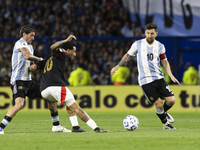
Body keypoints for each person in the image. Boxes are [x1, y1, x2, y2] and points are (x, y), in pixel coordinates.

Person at [0, 25, 82, 134]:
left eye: (34, 36)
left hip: (28, 81)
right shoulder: (20, 43)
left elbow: (31, 65)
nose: (33, 38)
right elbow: (27, 56)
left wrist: (37, 67)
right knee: (19, 104)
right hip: (18, 80)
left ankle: (56, 126)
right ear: (24, 34)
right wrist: (40, 59)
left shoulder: (30, 46)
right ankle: (0, 128)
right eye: (31, 35)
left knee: (50, 98)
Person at [30, 35, 106, 133]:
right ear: (67, 51)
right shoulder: (61, 54)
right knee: (77, 108)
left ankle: (74, 127)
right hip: (56, 86)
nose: (75, 54)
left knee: (68, 105)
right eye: (74, 51)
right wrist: (66, 40)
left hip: (44, 90)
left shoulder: (47, 60)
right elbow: (53, 47)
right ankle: (96, 128)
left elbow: (33, 67)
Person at [111, 23, 180, 129]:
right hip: (145, 80)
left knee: (171, 100)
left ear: (156, 34)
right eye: (147, 33)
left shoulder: (160, 46)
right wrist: (117, 66)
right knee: (158, 103)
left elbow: (165, 62)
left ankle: (163, 112)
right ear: (145, 33)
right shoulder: (137, 44)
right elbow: (127, 56)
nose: (149, 36)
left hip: (159, 77)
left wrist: (171, 75)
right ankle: (166, 124)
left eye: (152, 33)